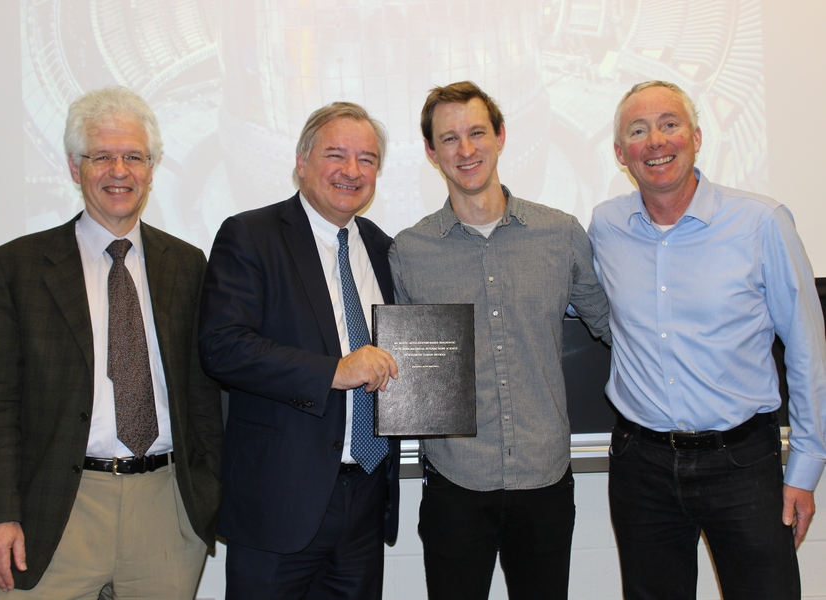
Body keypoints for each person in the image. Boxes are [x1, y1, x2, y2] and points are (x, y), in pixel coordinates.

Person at [0, 86, 223, 598]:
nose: (119, 171)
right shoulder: (16, 267)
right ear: (73, 167)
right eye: (101, 156)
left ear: (152, 169)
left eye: (133, 156)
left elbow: (202, 392)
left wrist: (208, 493)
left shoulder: (187, 263)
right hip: (58, 509)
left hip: (165, 508)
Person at [589, 80, 826, 599]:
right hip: (640, 466)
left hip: (744, 464)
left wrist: (805, 469)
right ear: (619, 153)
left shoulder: (762, 222)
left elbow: (808, 349)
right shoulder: (605, 228)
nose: (655, 141)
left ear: (696, 137)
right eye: (638, 130)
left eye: (669, 124)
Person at [389, 81, 611, 599]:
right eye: (449, 139)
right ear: (430, 152)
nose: (465, 150)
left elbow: (612, 325)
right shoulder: (410, 251)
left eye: (476, 133)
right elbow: (407, 372)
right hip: (455, 482)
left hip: (545, 478)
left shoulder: (560, 234)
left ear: (501, 136)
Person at [199, 101, 400, 599]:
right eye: (336, 154)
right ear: (301, 160)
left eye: (367, 159)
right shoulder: (251, 235)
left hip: (366, 498)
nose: (352, 171)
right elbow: (223, 347)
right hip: (280, 501)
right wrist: (335, 370)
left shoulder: (383, 247)